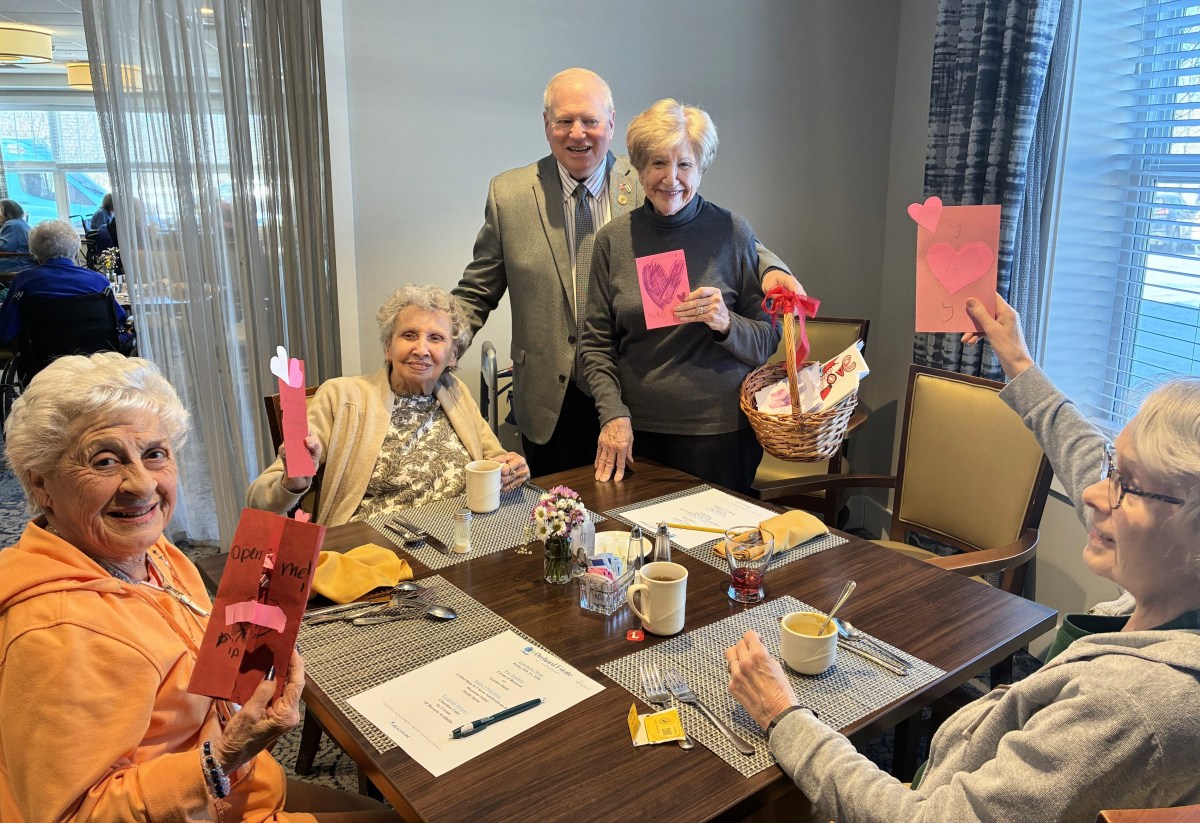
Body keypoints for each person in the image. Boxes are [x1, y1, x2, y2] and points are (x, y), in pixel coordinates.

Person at [724, 295, 1200, 822]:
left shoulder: (1129, 708)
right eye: (1112, 469)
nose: (1093, 493)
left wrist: (784, 717)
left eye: (1126, 485)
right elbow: (1081, 452)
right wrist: (1017, 359)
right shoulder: (1174, 579)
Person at [0, 353, 400, 821]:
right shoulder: (56, 634)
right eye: (104, 461)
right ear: (40, 484)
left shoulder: (148, 551)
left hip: (240, 783)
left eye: (155, 454)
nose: (141, 485)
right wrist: (224, 756)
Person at [453, 67, 801, 477]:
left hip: (653, 406)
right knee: (566, 510)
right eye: (565, 120)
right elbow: (477, 289)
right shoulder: (511, 196)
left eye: (590, 120)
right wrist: (435, 342)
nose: (578, 133)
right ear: (547, 124)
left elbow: (729, 240)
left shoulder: (650, 181)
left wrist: (774, 269)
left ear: (611, 123)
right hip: (557, 401)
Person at [579, 100, 781, 494]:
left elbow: (767, 340)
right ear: (640, 169)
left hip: (720, 434)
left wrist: (726, 322)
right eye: (658, 163)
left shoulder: (732, 232)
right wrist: (613, 414)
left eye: (684, 164)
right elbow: (595, 346)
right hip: (636, 434)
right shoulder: (613, 241)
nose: (671, 178)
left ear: (701, 168)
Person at [248, 284, 530, 526]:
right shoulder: (341, 396)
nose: (421, 349)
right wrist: (293, 482)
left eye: (436, 338)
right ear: (388, 347)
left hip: (460, 536)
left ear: (453, 355)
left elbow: (494, 459)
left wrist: (512, 468)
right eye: (409, 335)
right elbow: (258, 499)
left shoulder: (455, 392)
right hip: (371, 551)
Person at [0, 218, 129, 343]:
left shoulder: (23, 281)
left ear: (36, 255)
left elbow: (5, 331)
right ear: (76, 253)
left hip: (43, 355)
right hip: (98, 354)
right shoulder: (98, 281)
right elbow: (119, 319)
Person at [0, 198, 32, 273]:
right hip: (23, 261)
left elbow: (4, 247)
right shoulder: (20, 223)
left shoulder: (11, 224)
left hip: (16, 263)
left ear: (7, 212)